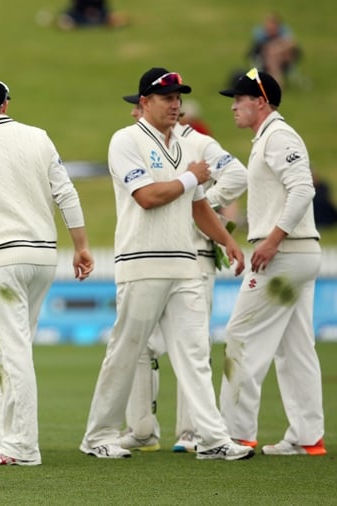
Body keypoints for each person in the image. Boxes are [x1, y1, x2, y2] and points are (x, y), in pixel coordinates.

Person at [79, 67, 253, 461]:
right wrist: (192, 178)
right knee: (127, 350)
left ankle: (211, 438)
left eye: (178, 98)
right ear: (144, 102)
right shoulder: (125, 140)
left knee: (194, 353)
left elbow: (197, 206)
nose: (175, 105)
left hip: (185, 263)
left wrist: (226, 240)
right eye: (166, 98)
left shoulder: (190, 145)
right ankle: (99, 435)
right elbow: (147, 196)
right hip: (141, 261)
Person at [0, 76, 94, 466]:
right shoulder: (38, 136)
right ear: (5, 104)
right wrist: (81, 246)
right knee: (10, 348)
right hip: (42, 258)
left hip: (0, 259)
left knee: (10, 350)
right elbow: (65, 192)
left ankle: (22, 446)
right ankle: (6, 435)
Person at [117, 93, 248, 454]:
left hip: (195, 256)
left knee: (193, 346)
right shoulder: (138, 142)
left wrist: (207, 212)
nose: (133, 111)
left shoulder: (197, 141)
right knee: (141, 346)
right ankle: (142, 429)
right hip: (153, 256)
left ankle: (192, 432)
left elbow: (237, 174)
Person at [218, 69, 326, 456]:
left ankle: (233, 435)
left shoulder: (279, 136)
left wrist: (273, 240)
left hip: (283, 253)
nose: (233, 106)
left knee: (240, 337)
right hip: (296, 253)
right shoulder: (268, 137)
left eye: (239, 99)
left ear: (260, 101)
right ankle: (307, 437)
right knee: (295, 346)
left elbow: (303, 188)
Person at [249, 12, 300, 86]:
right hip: (266, 58)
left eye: (273, 24)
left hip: (284, 57)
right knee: (272, 56)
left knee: (275, 53)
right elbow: (260, 47)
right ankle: (277, 84)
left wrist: (277, 48)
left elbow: (292, 43)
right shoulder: (260, 33)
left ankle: (276, 84)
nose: (271, 26)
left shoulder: (283, 31)